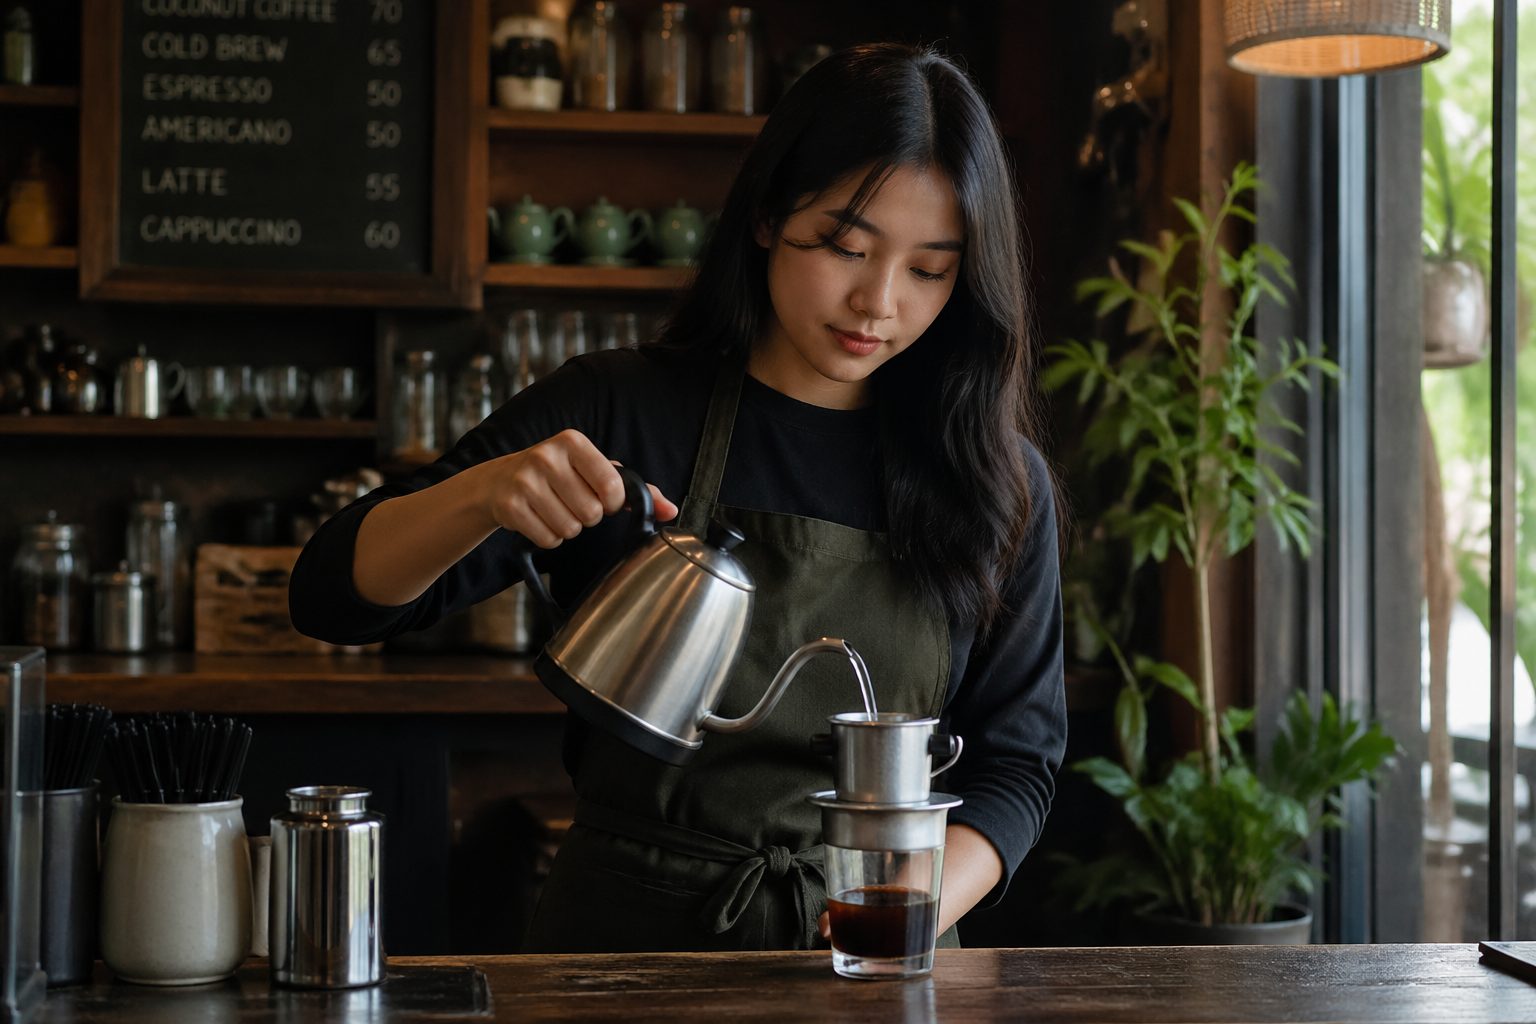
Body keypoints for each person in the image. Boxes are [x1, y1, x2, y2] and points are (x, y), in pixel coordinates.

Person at [290, 42, 1066, 953]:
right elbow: (332, 601)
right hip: (623, 947)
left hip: (870, 958)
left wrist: (900, 906)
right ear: (770, 217)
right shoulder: (620, 408)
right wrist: (484, 496)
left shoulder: (995, 479)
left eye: (930, 269)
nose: (877, 302)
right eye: (844, 246)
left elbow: (1016, 769)